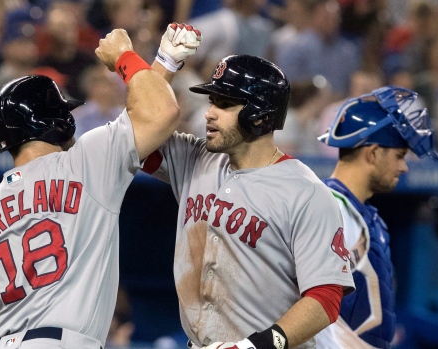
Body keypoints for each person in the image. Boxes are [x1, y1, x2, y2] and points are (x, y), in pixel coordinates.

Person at [0, 23, 202, 349]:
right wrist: (127, 56)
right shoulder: (85, 161)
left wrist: (7, 303)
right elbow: (158, 112)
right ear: (57, 122)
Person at [143, 54, 356, 349]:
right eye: (212, 101)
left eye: (225, 103)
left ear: (259, 114)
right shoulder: (195, 158)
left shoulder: (306, 192)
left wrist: (256, 346)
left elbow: (326, 298)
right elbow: (137, 133)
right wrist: (163, 64)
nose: (210, 113)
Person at [314, 86, 438, 349]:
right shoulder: (327, 209)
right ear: (372, 153)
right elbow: (309, 305)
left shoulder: (370, 218)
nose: (404, 166)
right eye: (399, 156)